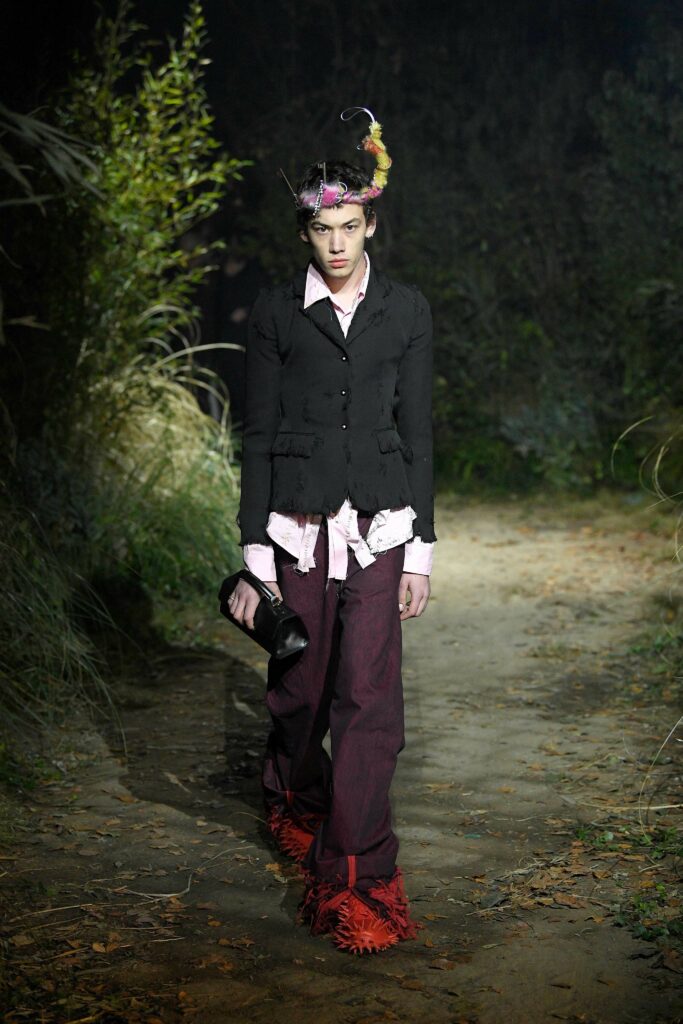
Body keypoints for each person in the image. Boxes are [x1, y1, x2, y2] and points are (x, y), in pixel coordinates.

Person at [228, 108, 436, 955]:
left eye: (349, 226)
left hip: (379, 525)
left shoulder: (405, 310)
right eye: (322, 229)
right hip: (298, 525)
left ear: (370, 224)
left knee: (368, 698)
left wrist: (421, 547)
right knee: (300, 689)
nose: (337, 243)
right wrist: (254, 551)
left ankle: (356, 877)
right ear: (304, 232)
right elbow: (256, 433)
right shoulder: (276, 314)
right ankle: (291, 790)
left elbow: (418, 432)